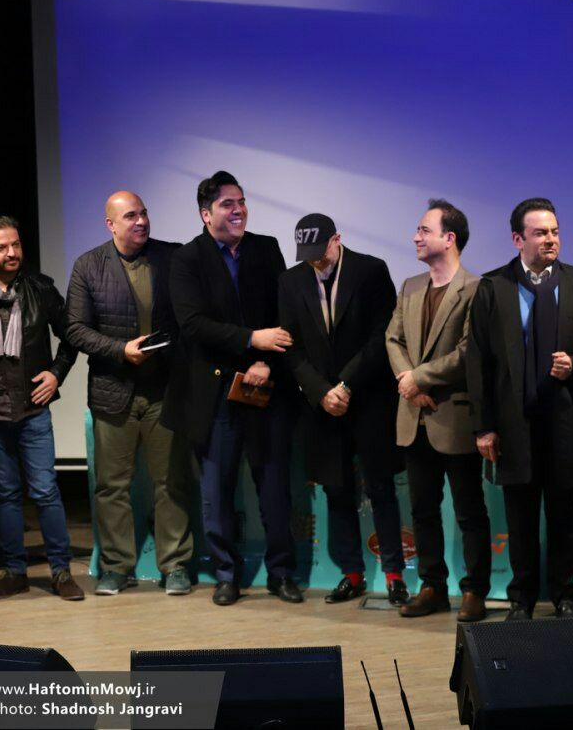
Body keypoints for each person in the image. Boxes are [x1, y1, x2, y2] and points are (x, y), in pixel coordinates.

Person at [467, 198, 573, 620]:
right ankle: (522, 599)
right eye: (540, 233)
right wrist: (483, 427)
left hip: (564, 420)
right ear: (518, 239)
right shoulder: (493, 287)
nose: (551, 239)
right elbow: (477, 361)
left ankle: (565, 596)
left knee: (564, 515)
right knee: (520, 518)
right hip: (513, 424)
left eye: (554, 232)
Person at [165, 171, 299, 607]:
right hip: (215, 392)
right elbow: (193, 325)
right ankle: (226, 574)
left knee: (274, 488)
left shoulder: (267, 248)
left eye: (241, 201)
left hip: (266, 386)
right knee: (216, 491)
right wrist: (250, 340)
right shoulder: (187, 259)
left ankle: (282, 573)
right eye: (227, 204)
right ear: (206, 214)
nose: (238, 209)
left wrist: (265, 360)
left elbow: (284, 313)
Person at [65, 191, 194, 596]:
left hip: (164, 391)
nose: (140, 221)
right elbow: (75, 329)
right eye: (130, 216)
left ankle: (175, 565)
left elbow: (190, 316)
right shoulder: (89, 265)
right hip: (113, 392)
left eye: (144, 213)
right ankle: (117, 567)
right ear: (111, 224)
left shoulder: (172, 257)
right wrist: (121, 350)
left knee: (171, 482)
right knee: (112, 487)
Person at [280, 213, 409, 607]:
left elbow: (381, 335)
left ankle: (394, 575)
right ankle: (351, 573)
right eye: (307, 255)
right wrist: (322, 392)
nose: (315, 261)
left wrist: (346, 383)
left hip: (368, 397)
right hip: (323, 406)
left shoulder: (371, 270)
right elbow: (290, 346)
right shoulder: (290, 281)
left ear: (336, 239)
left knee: (381, 487)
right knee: (336, 490)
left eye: (320, 252)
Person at [0, 216, 83, 601]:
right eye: (1, 247)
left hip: (32, 411)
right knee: (6, 495)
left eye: (16, 244)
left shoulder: (40, 289)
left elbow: (72, 336)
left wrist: (56, 374)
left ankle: (61, 571)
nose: (12, 253)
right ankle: (14, 572)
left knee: (45, 491)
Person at [385, 200, 489, 621]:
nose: (415, 237)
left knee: (469, 511)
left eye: (424, 230)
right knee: (422, 510)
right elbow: (392, 339)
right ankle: (432, 586)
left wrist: (419, 378)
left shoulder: (476, 288)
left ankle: (475, 590)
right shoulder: (410, 286)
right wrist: (409, 384)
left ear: (449, 238)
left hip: (455, 417)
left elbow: (468, 352)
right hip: (414, 417)